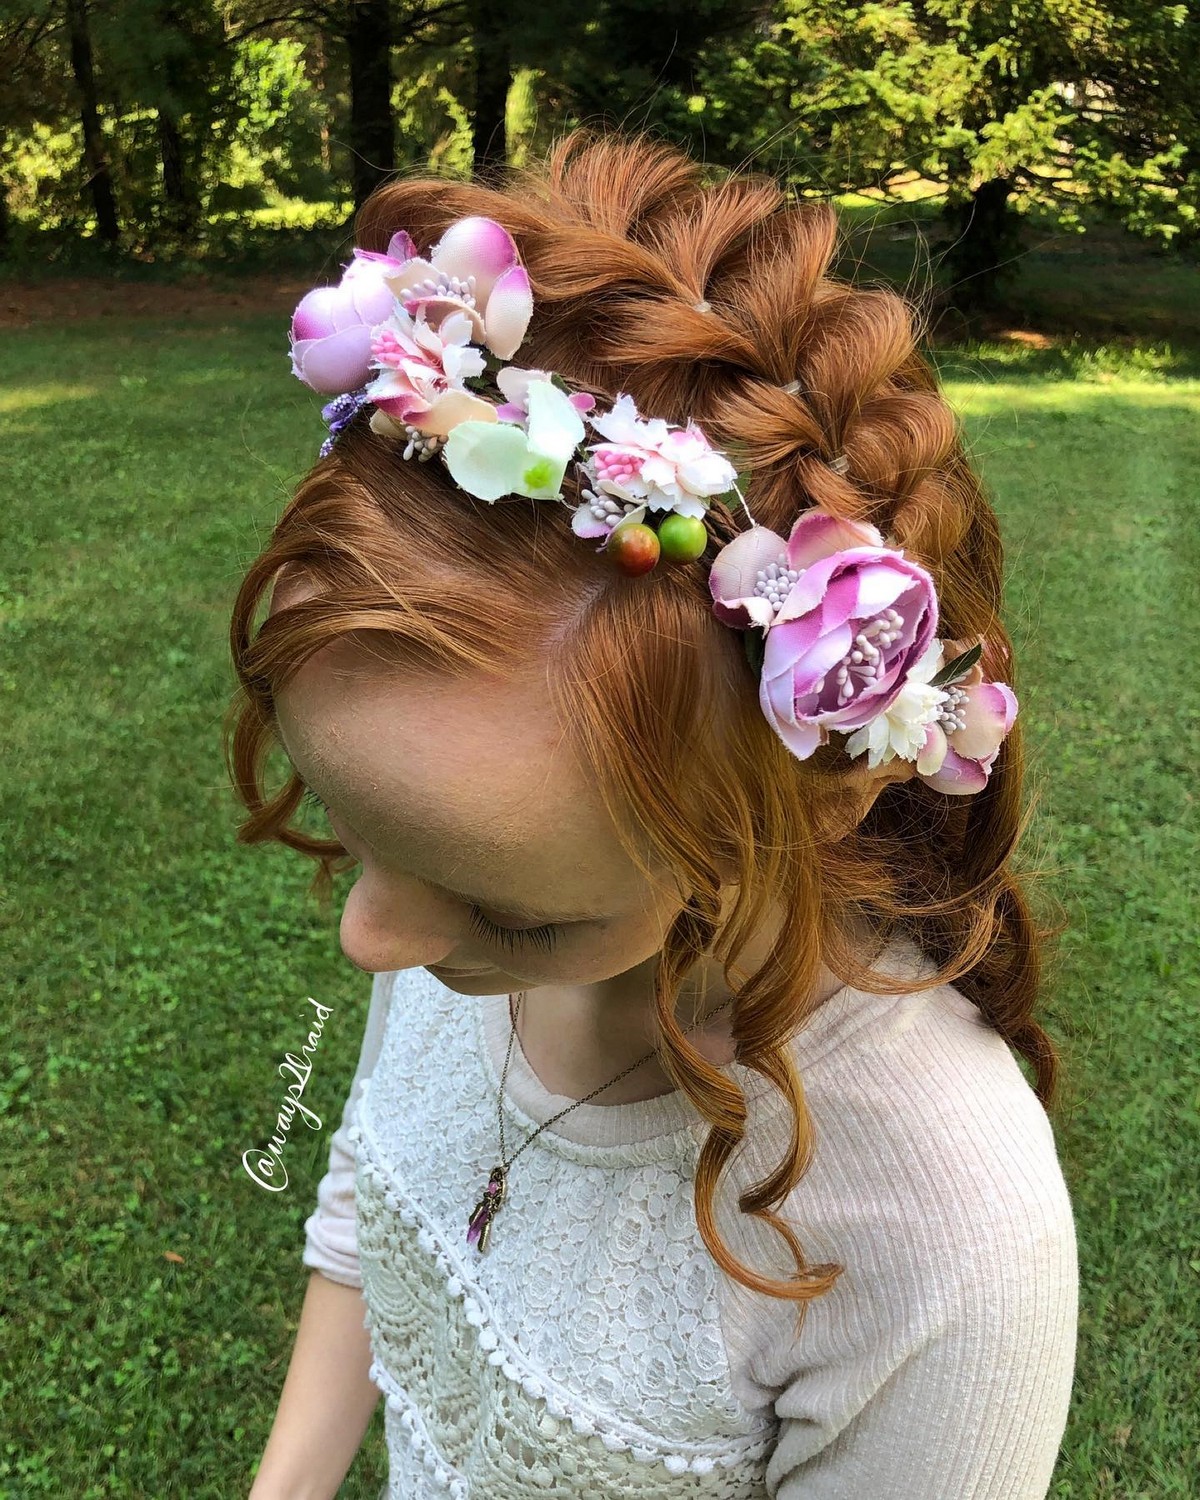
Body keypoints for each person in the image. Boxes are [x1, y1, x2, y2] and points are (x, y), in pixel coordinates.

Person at [231, 128, 1078, 1500]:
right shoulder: (477, 893)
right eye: (359, 831)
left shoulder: (944, 1238)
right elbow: (369, 1206)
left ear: (821, 793)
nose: (370, 941)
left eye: (517, 909)